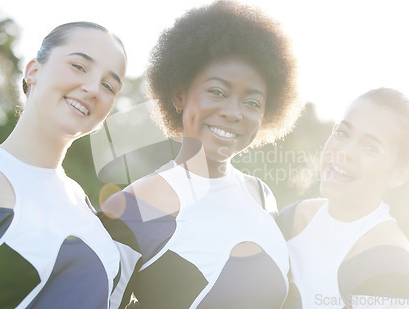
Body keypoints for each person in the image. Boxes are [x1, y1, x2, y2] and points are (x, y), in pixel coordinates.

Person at [97, 1, 303, 308]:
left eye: (252, 103)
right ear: (180, 95)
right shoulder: (132, 208)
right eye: (217, 92)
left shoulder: (262, 197)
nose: (233, 113)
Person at [0, 22, 127, 308]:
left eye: (109, 85)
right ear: (33, 71)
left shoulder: (87, 208)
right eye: (79, 66)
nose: (93, 89)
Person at [277, 87, 409, 308]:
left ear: (399, 175)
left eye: (370, 148)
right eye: (342, 133)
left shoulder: (391, 266)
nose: (345, 152)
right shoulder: (292, 217)